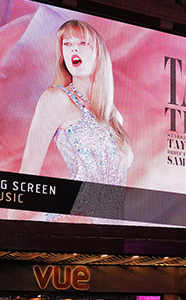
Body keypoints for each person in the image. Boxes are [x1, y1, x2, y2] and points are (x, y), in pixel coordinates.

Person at [20, 19, 132, 187]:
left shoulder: (114, 116)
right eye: (67, 43)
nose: (73, 48)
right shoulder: (56, 99)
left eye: (82, 42)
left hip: (114, 213)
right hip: (77, 212)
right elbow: (27, 173)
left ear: (98, 53)